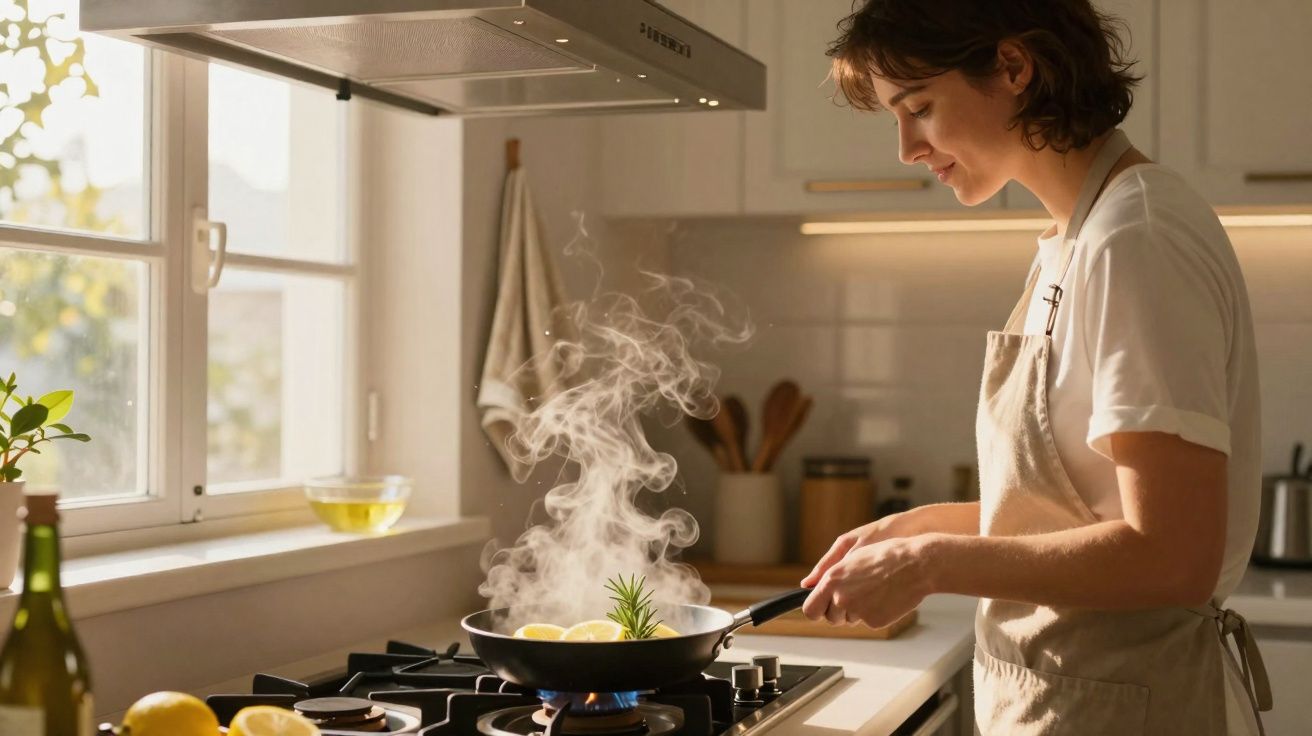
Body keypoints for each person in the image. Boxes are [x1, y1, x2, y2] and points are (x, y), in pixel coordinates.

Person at [799, 2, 1271, 734]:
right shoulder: (1074, 236)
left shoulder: (1134, 239)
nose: (905, 148)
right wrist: (916, 528)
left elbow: (1173, 555)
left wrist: (931, 564)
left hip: (1132, 705)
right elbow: (1080, 513)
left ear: (1014, 68)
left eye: (918, 107)